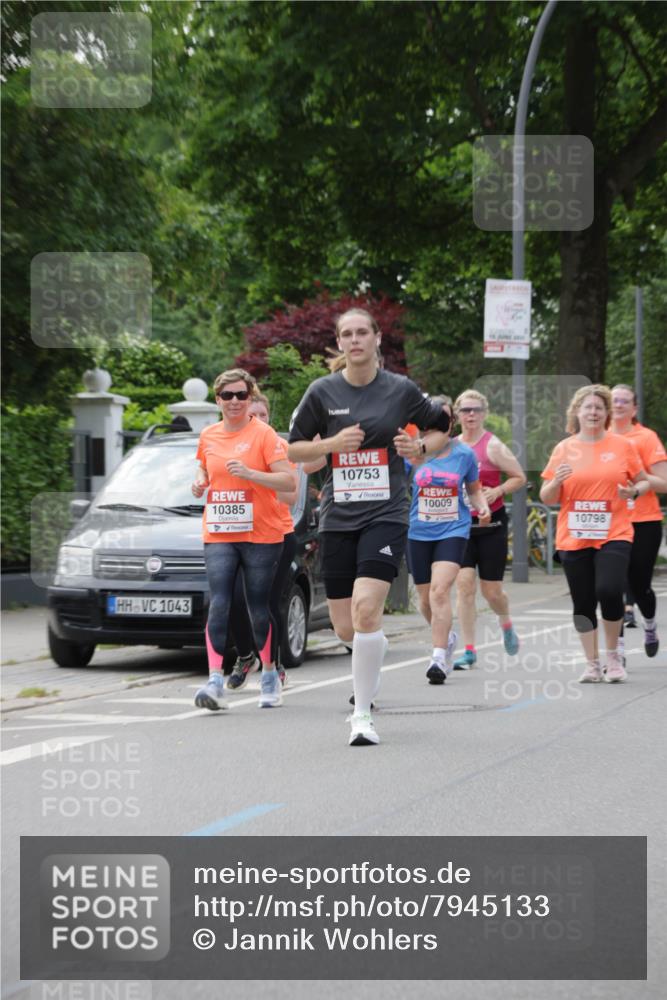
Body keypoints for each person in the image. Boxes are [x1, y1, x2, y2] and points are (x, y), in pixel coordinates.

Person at [287, 307, 451, 746]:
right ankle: (368, 667)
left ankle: (362, 715)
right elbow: (293, 451)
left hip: (387, 513)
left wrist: (418, 445)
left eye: (363, 332)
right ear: (339, 343)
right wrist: (332, 444)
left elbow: (441, 430)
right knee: (346, 627)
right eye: (347, 334)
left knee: (366, 609)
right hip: (339, 517)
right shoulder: (322, 391)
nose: (355, 339)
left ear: (377, 339)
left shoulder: (400, 390)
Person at [191, 369, 294, 711]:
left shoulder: (265, 435)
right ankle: (214, 679)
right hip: (220, 530)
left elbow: (288, 482)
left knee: (257, 605)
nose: (234, 402)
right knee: (219, 601)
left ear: (250, 398)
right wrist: (199, 481)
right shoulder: (207, 436)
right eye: (227, 396)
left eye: (241, 395)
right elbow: (204, 468)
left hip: (262, 533)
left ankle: (268, 674)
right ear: (217, 399)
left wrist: (251, 474)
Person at [540, 384, 648, 683]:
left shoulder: (622, 446)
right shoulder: (564, 448)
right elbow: (548, 497)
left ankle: (613, 657)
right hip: (574, 536)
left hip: (615, 531)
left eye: (598, 407)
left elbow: (644, 483)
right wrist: (555, 482)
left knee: (610, 589)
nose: (593, 412)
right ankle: (592, 663)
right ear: (577, 412)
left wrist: (633, 491)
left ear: (606, 413)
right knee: (582, 601)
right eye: (587, 407)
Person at [406, 396, 491, 684]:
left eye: (443, 420)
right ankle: (448, 637)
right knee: (424, 599)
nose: (436, 426)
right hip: (418, 530)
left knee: (440, 592)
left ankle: (439, 657)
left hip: (452, 529)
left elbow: (475, 489)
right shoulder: (414, 452)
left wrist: (483, 505)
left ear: (450, 423)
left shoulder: (464, 454)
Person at [223, 392, 299, 692]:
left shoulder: (279, 448)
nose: (256, 421)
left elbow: (291, 496)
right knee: (232, 601)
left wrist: (257, 476)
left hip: (276, 535)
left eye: (262, 416)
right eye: (251, 415)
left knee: (264, 604)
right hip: (238, 534)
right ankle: (245, 656)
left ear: (270, 419)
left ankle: (275, 664)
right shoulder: (229, 445)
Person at [450, 389, 526, 669]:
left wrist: (498, 491)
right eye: (465, 410)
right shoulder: (451, 446)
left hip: (491, 526)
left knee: (491, 592)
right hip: (461, 526)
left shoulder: (493, 446)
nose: (471, 415)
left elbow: (518, 477)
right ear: (457, 414)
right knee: (464, 586)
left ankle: (506, 624)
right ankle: (469, 650)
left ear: (485, 414)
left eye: (476, 410)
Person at [611, 384, 667, 658]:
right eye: (613, 401)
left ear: (634, 409)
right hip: (610, 523)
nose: (618, 405)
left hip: (644, 521)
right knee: (612, 584)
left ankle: (649, 624)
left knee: (639, 584)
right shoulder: (598, 438)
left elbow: (664, 483)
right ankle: (617, 648)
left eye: (624, 401)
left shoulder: (646, 438)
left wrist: (636, 477)